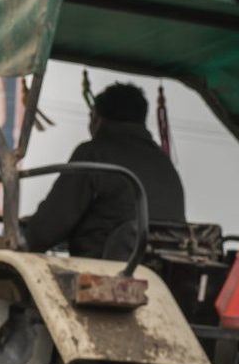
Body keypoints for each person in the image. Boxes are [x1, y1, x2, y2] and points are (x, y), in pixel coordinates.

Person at [23, 82, 186, 259]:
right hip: (163, 275)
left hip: (106, 273)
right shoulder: (164, 163)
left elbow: (48, 227)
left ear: (96, 118)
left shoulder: (94, 154)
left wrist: (23, 235)